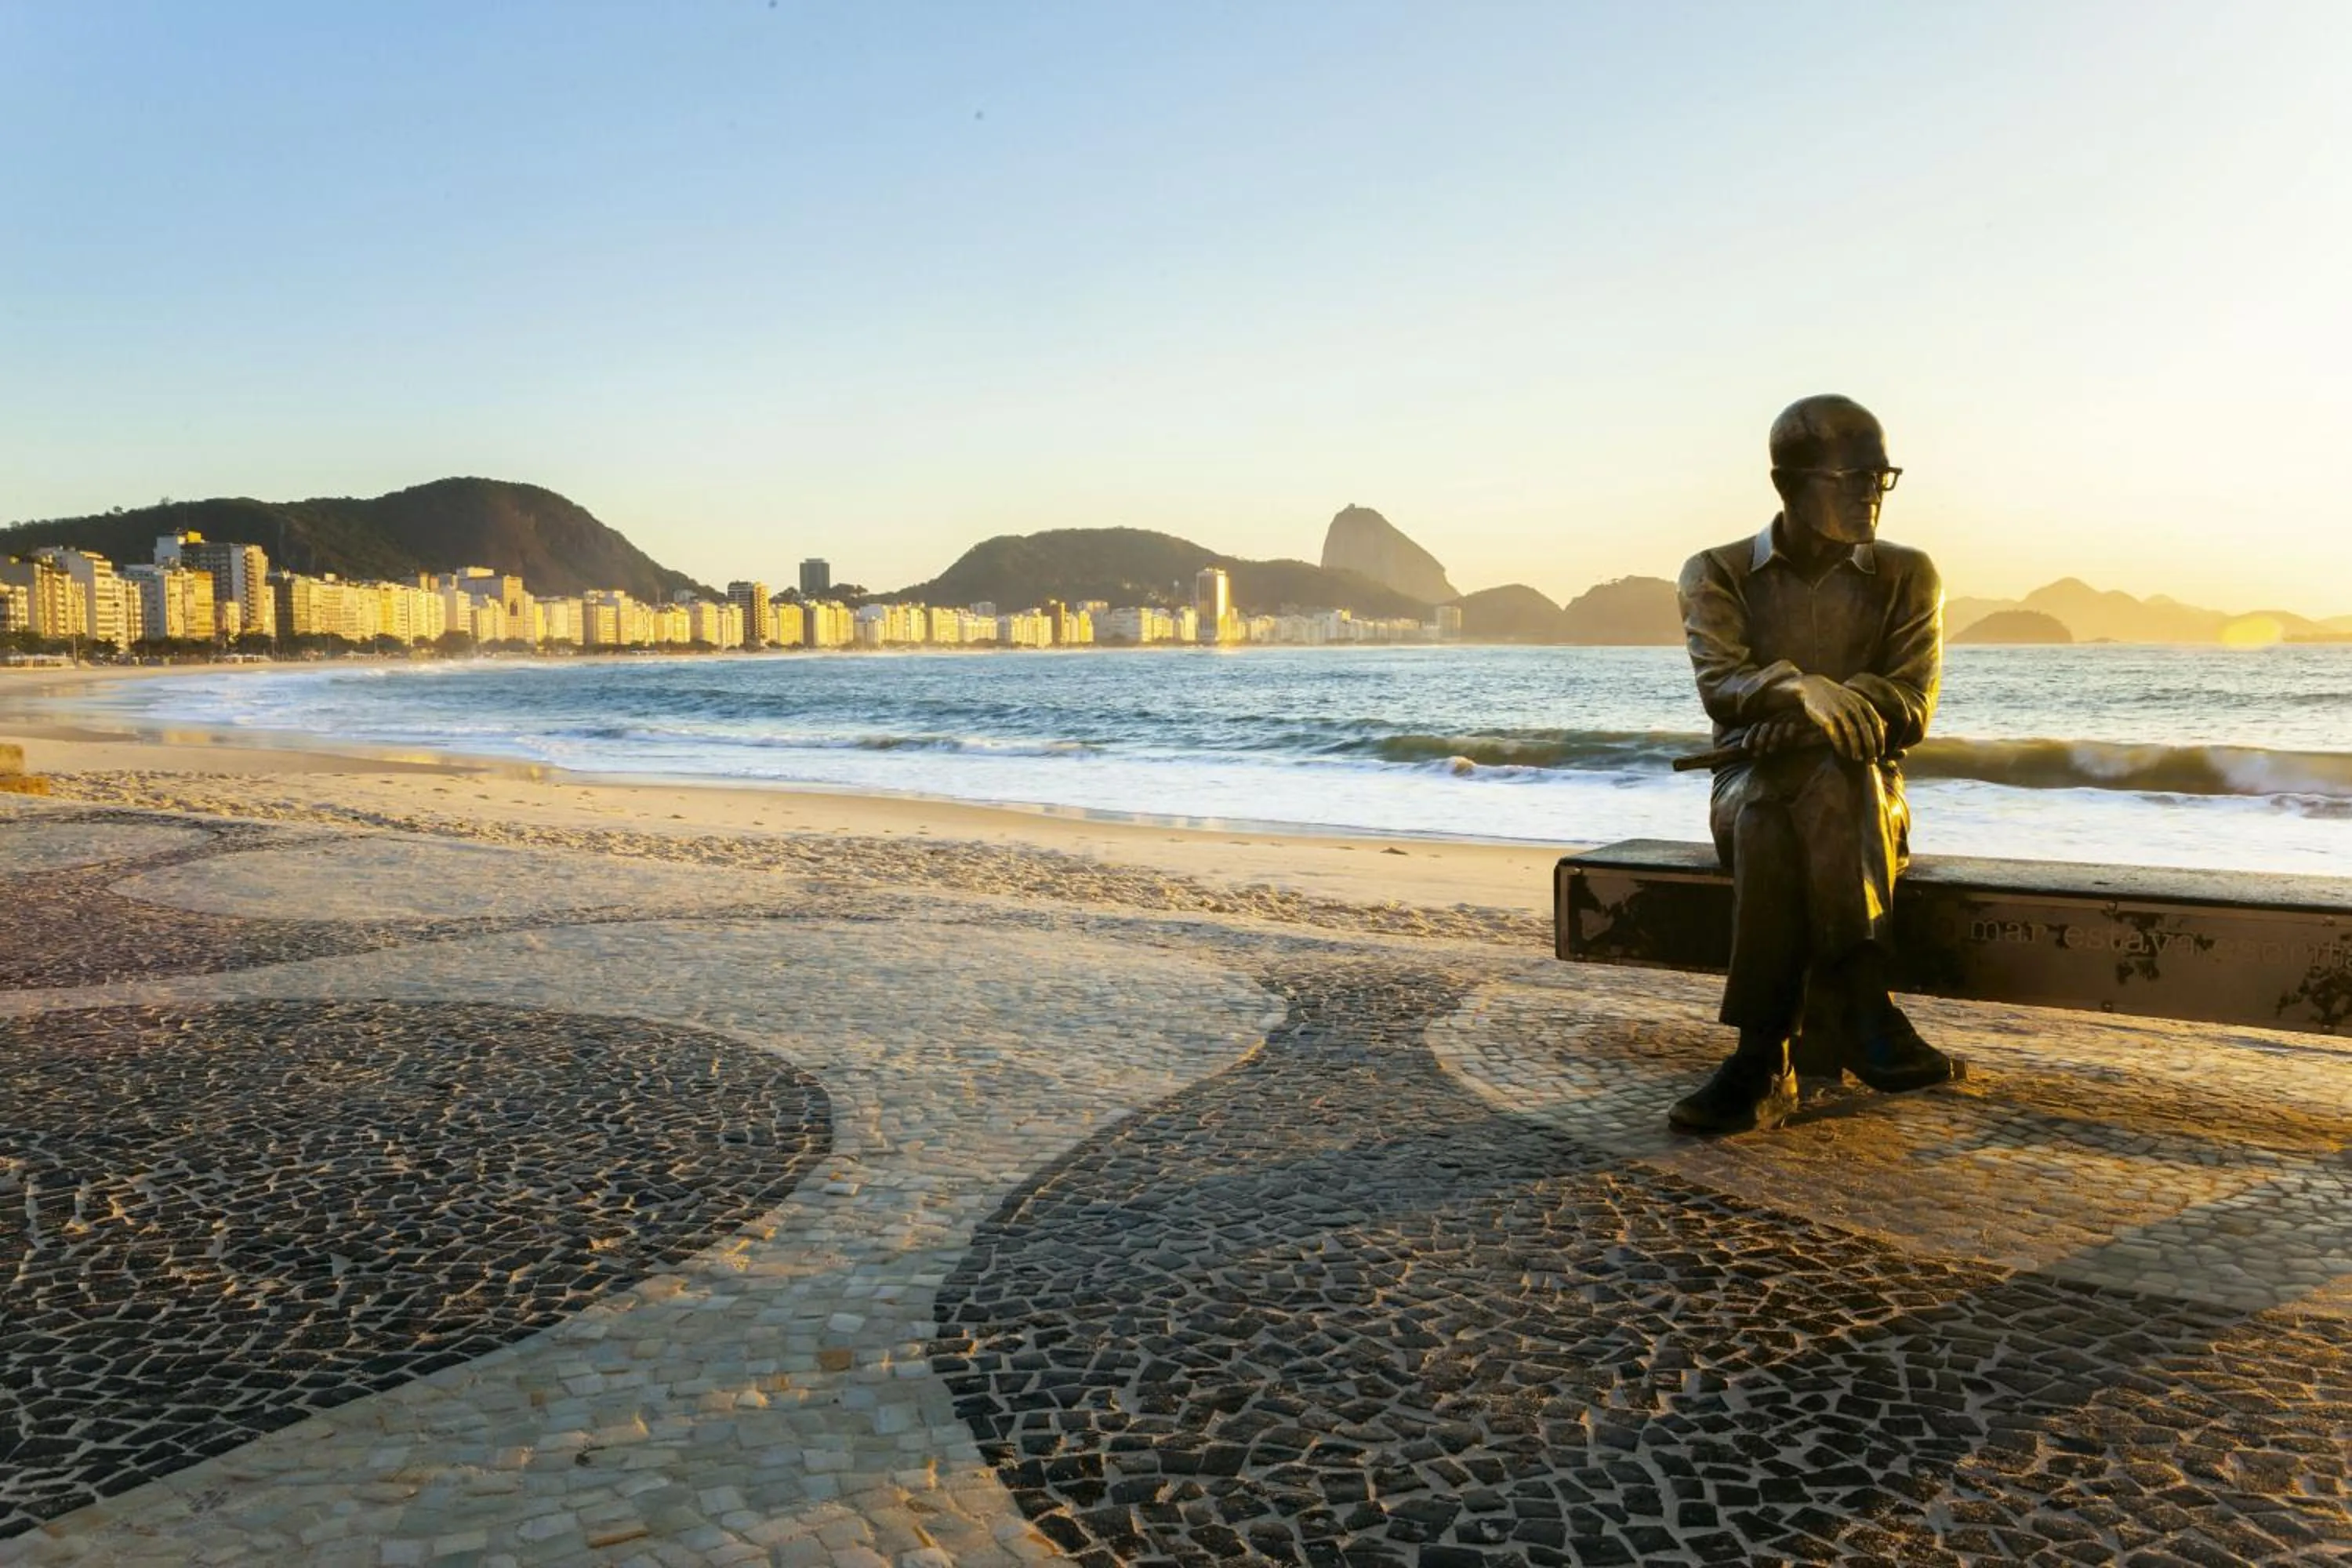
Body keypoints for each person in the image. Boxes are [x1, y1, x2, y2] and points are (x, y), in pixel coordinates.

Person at [1669, 394, 1965, 1134]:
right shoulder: (1717, 572)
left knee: (1823, 786)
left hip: (1873, 794)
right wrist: (1803, 689)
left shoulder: (1910, 575)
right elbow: (1722, 686)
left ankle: (1759, 1059)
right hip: (1743, 781)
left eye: (1881, 476)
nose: (1873, 491)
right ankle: (1869, 1008)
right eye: (1854, 475)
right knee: (1770, 803)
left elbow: (1911, 707)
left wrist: (1827, 714)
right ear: (1787, 484)